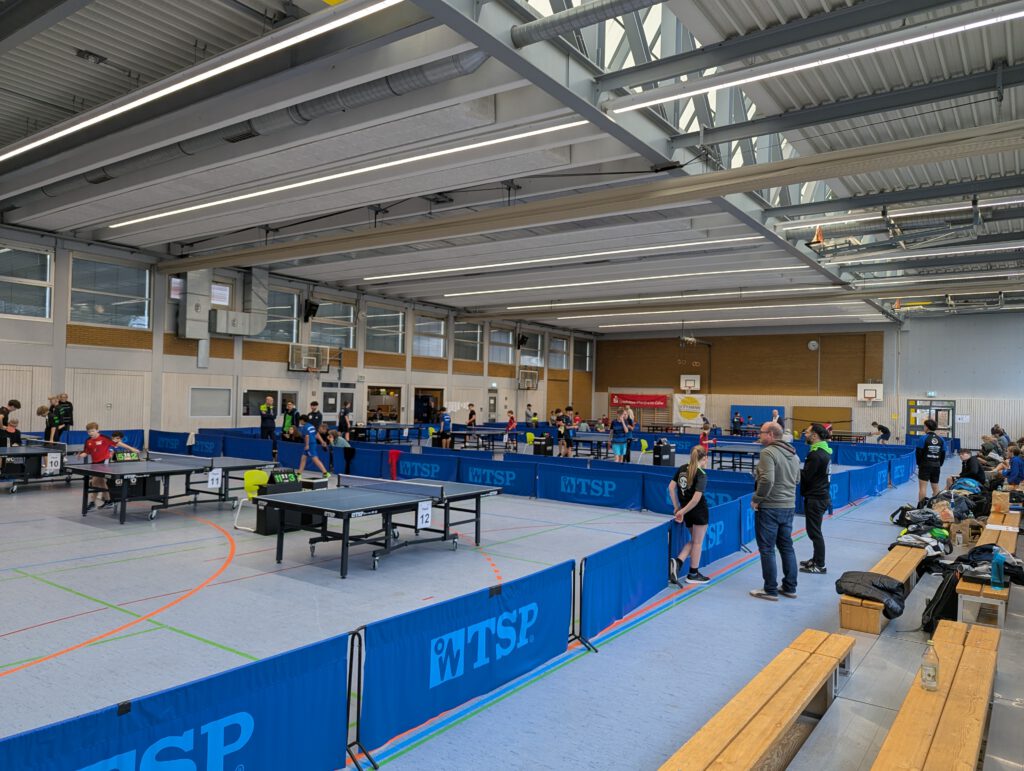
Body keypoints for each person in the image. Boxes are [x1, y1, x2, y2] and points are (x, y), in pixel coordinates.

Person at [750, 422, 800, 601]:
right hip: (789, 507)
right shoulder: (793, 454)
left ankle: (770, 590)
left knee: (767, 549)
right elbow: (797, 479)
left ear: (770, 434)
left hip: (770, 507)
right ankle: (790, 587)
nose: (759, 435)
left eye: (761, 432)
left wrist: (757, 499)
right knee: (786, 547)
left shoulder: (768, 453)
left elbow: (767, 480)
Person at [668, 446, 711, 585]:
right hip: (698, 511)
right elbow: (696, 499)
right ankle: (693, 574)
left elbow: (671, 488)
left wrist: (677, 508)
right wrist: (681, 511)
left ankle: (678, 562)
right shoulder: (701, 474)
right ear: (704, 458)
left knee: (694, 540)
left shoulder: (682, 468)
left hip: (687, 512)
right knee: (697, 543)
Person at [799, 424, 832, 575]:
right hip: (820, 496)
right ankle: (816, 559)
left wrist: (791, 469)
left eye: (807, 432)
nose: (804, 434)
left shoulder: (816, 454)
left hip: (816, 498)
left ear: (814, 435)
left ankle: (820, 565)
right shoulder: (824, 451)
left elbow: (806, 476)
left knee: (814, 533)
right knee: (814, 531)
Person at [78, 422, 115, 510]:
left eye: (92, 431)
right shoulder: (88, 441)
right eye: (89, 432)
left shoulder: (104, 438)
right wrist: (82, 455)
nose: (91, 433)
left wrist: (131, 449)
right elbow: (86, 451)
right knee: (102, 483)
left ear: (97, 430)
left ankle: (92, 503)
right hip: (95, 463)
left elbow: (115, 444)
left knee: (94, 482)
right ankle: (109, 502)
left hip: (104, 462)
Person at [916, 418, 946, 501]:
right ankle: (937, 506)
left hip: (925, 465)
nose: (924, 428)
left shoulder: (923, 438)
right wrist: (939, 464)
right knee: (935, 487)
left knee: (923, 488)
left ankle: (921, 507)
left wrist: (919, 464)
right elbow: (943, 454)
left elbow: (918, 453)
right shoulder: (941, 439)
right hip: (936, 465)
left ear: (927, 427)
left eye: (924, 426)